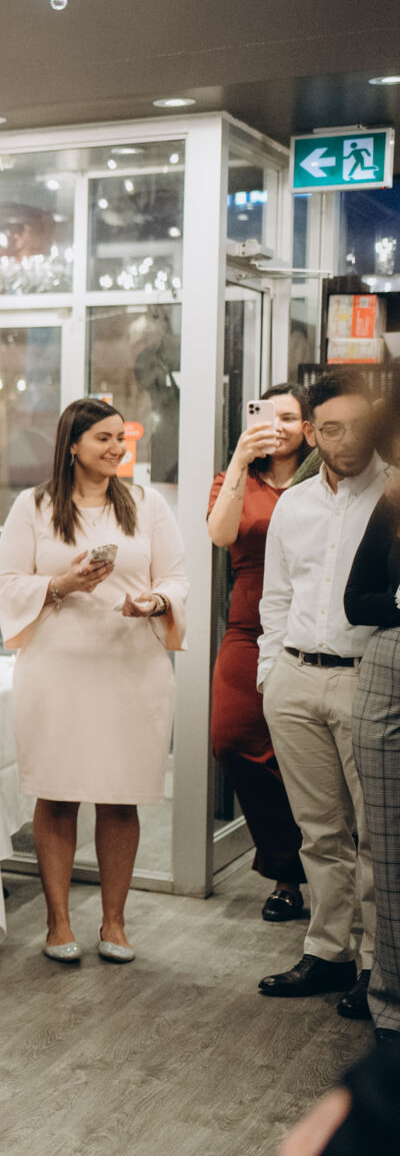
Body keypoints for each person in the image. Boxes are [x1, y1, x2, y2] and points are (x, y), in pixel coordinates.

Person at [0, 397, 188, 967]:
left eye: (120, 438)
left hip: (131, 667)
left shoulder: (147, 505)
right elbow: (8, 583)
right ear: (73, 444)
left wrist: (155, 602)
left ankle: (114, 921)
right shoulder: (33, 506)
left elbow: (176, 577)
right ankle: (57, 920)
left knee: (120, 797)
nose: (116, 448)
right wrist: (63, 584)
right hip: (57, 669)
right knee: (57, 793)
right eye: (104, 438)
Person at [258, 372, 386, 1018]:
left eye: (357, 426)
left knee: (378, 835)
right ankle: (330, 950)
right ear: (311, 433)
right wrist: (270, 676)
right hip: (295, 678)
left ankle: (378, 968)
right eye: (331, 429)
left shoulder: (395, 494)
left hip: (369, 678)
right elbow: (275, 597)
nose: (346, 440)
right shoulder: (294, 504)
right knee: (319, 832)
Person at [207, 383, 313, 921]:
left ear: (308, 427)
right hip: (248, 625)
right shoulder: (236, 479)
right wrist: (239, 459)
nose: (279, 426)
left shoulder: (323, 480)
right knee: (231, 740)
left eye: (290, 417)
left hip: (311, 621)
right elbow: (220, 533)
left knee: (310, 752)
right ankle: (287, 864)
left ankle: (311, 870)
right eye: (270, 416)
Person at [342, 394, 400, 1041]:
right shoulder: (392, 502)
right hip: (388, 662)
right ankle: (390, 1005)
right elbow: (358, 600)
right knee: (384, 846)